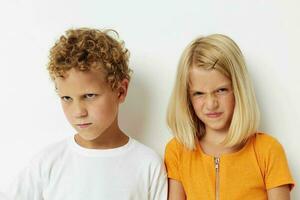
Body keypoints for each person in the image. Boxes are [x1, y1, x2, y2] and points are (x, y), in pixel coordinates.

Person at [6, 28, 167, 200]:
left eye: (89, 96)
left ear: (120, 91)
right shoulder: (47, 164)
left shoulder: (147, 165)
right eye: (67, 98)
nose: (78, 112)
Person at [164, 34, 295, 200]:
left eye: (221, 90)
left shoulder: (268, 151)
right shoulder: (177, 151)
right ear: (186, 98)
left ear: (239, 89)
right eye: (199, 94)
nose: (211, 104)